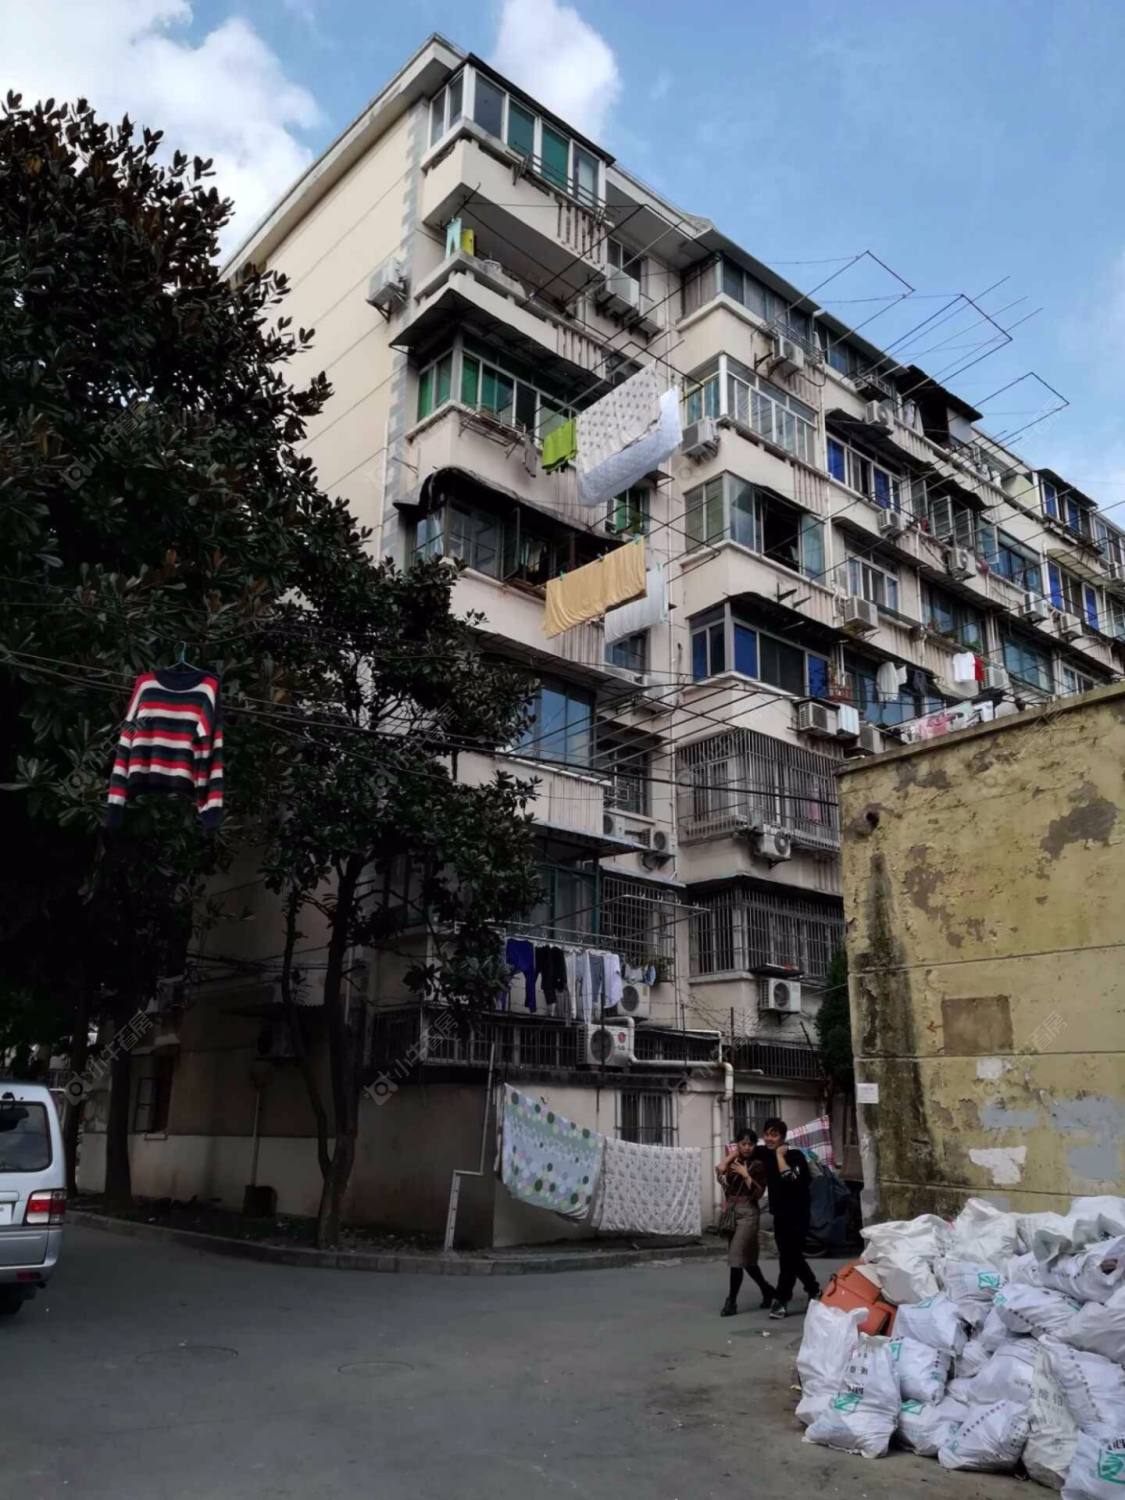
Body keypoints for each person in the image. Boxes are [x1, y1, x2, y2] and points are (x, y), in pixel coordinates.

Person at [758, 1116, 821, 1319]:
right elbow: (744, 1150)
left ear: (783, 1137)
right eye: (767, 1134)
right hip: (780, 1216)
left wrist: (779, 1155)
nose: (769, 1138)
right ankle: (813, 1289)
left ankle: (781, 1299)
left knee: (788, 1257)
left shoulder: (795, 1156)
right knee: (791, 1256)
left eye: (774, 1135)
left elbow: (790, 1178)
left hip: (799, 1215)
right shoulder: (765, 1153)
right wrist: (727, 1161)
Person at [716, 1129, 776, 1317]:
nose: (747, 1147)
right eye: (743, 1144)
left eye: (751, 1144)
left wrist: (746, 1175)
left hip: (748, 1212)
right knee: (747, 1260)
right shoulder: (733, 1161)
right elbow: (720, 1172)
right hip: (732, 1212)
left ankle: (731, 1301)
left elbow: (758, 1193)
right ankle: (767, 1289)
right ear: (738, 1145)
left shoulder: (758, 1165)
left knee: (736, 1257)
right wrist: (729, 1158)